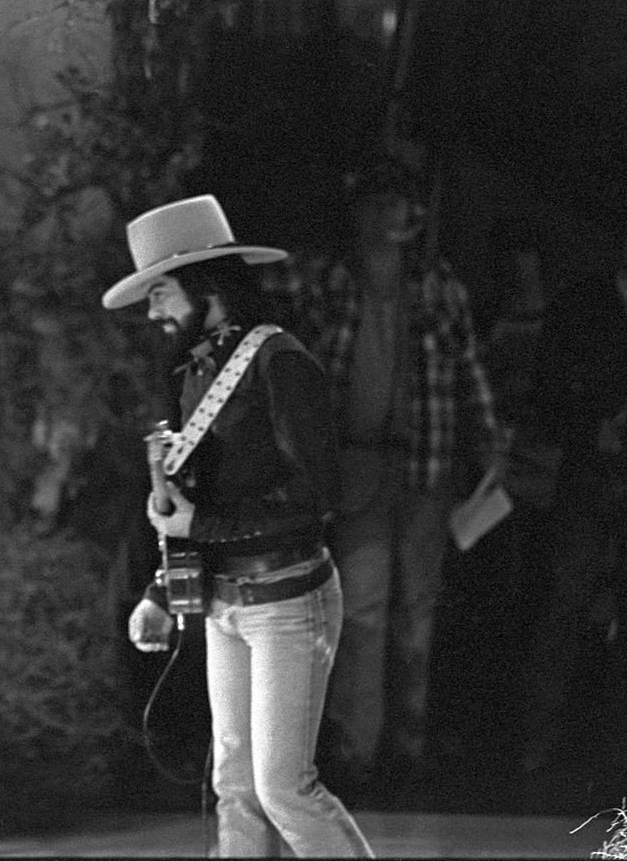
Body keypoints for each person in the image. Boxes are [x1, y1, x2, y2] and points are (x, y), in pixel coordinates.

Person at [107, 195, 373, 857]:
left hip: (287, 599)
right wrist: (162, 594)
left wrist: (206, 521)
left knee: (285, 787)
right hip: (225, 601)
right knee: (235, 785)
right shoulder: (201, 369)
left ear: (207, 285)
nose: (155, 311)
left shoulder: (279, 361)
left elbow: (320, 497)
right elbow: (195, 505)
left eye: (162, 292)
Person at [266, 153, 508, 803]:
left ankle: (406, 745)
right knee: (365, 611)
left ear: (413, 215)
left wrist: (489, 447)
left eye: (394, 204)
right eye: (373, 203)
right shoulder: (329, 279)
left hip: (422, 466)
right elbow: (265, 285)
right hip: (357, 465)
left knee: (415, 614)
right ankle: (358, 753)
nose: (383, 215)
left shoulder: (437, 287)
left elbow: (468, 369)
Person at [519, 178, 627, 801]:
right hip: (589, 468)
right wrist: (593, 426)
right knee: (565, 603)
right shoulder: (582, 302)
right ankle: (542, 743)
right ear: (619, 241)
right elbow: (548, 389)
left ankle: (621, 747)